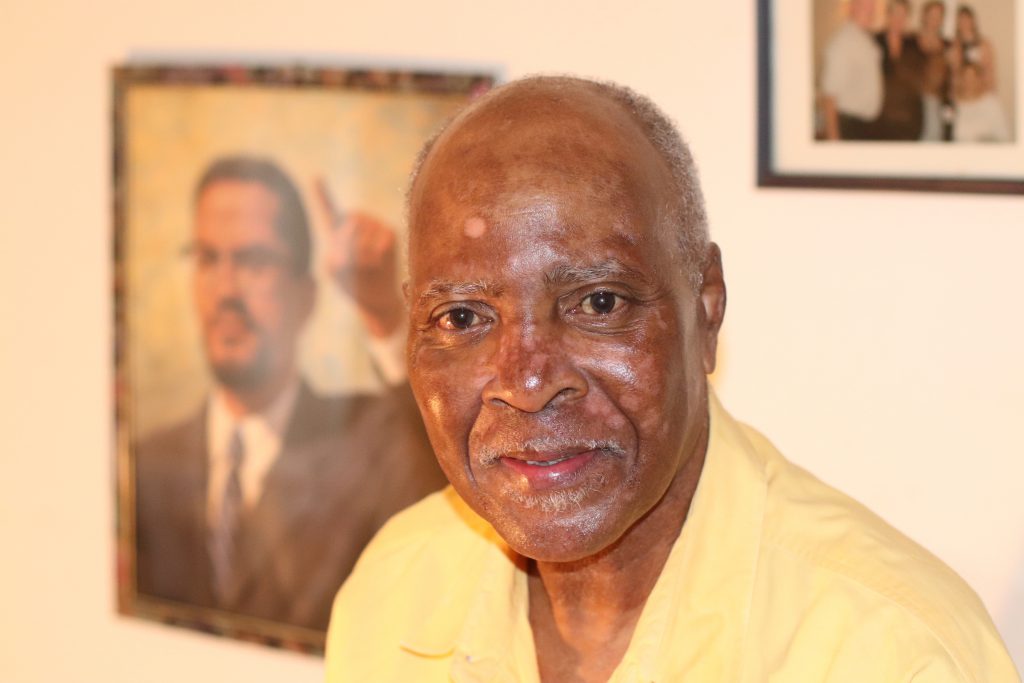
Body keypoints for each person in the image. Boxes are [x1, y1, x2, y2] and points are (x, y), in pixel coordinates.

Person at [325, 76, 1020, 681]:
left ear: (707, 308)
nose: (528, 382)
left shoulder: (890, 654)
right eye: (462, 316)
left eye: (598, 302)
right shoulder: (393, 591)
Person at [134, 156, 446, 633]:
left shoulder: (371, 445)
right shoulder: (149, 462)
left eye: (253, 262)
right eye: (207, 259)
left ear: (307, 298)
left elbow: (447, 475)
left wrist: (384, 314)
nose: (225, 291)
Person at [820, 0, 884, 140]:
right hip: (849, 126)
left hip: (867, 127)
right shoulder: (842, 42)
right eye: (865, 6)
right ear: (852, 8)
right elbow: (829, 96)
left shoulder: (865, 39)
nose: (870, 11)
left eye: (872, 7)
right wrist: (834, 140)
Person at [873, 0, 927, 140]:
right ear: (888, 15)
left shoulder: (914, 44)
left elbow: (920, 80)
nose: (899, 19)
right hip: (879, 118)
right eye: (896, 14)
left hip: (908, 120)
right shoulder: (874, 42)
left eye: (903, 15)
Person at [916, 0, 953, 141]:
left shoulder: (947, 45)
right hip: (916, 104)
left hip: (941, 103)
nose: (935, 20)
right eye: (932, 15)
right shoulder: (912, 41)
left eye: (939, 16)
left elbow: (951, 77)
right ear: (924, 16)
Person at [954, 62, 1011, 142]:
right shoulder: (953, 105)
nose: (969, 82)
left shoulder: (991, 104)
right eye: (965, 77)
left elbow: (1004, 137)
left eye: (973, 77)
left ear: (980, 79)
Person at [950, 5, 996, 94]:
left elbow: (989, 72)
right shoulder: (954, 46)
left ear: (973, 21)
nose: (964, 23)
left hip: (981, 92)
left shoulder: (984, 45)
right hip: (961, 93)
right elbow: (953, 74)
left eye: (966, 19)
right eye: (960, 19)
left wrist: (991, 92)